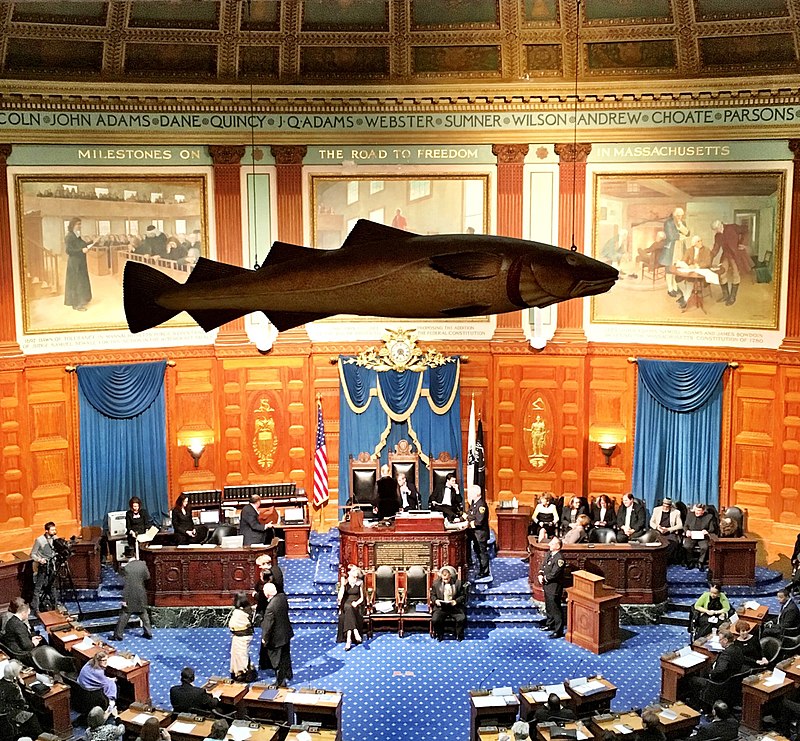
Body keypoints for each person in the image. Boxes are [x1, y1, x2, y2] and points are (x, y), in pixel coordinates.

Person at [684, 631, 743, 708]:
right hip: (731, 681)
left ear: (725, 640)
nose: (719, 641)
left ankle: (697, 703)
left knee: (693, 679)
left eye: (720, 639)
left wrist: (710, 674)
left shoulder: (726, 654)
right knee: (704, 672)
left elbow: (720, 670)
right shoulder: (738, 649)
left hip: (719, 684)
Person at [110, 553, 153, 641]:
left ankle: (118, 635)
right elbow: (147, 577)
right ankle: (148, 633)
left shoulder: (126, 568)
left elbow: (127, 585)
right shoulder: (143, 564)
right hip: (141, 593)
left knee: (125, 615)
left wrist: (124, 599)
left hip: (130, 594)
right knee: (143, 614)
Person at [260, 582, 294, 686]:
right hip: (285, 632)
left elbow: (268, 625)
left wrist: (264, 638)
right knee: (285, 655)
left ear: (267, 594)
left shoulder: (270, 607)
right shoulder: (282, 597)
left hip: (276, 638)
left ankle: (280, 682)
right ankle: (288, 674)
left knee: (276, 660)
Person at [711, 220, 752, 306]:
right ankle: (726, 295)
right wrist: (710, 256)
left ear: (720, 225)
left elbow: (745, 230)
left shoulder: (732, 227)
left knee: (736, 274)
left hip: (736, 255)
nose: (715, 231)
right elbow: (716, 248)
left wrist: (743, 243)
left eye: (716, 229)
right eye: (714, 230)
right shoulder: (717, 236)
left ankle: (732, 297)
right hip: (726, 255)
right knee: (722, 273)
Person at [0, 659, 43, 739]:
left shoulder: (3, 681)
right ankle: (40, 736)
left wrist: (20, 681)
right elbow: (19, 703)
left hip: (7, 710)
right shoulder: (12, 688)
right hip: (10, 713)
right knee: (32, 716)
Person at [64, 217, 94, 311]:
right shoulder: (69, 236)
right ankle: (76, 305)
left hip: (80, 262)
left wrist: (92, 242)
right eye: (78, 224)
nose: (80, 226)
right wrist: (81, 250)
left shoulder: (76, 235)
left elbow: (82, 244)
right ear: (73, 225)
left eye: (80, 224)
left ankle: (82, 300)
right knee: (77, 283)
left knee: (82, 281)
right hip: (74, 263)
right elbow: (68, 250)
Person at [538, 537, 566, 639]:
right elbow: (543, 566)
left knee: (555, 608)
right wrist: (540, 574)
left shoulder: (559, 559)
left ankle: (558, 631)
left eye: (552, 543)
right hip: (547, 585)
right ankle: (550, 624)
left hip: (554, 587)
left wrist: (545, 578)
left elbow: (555, 574)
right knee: (549, 606)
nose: (549, 544)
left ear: (557, 546)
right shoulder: (549, 554)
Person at [675, 235, 713, 310]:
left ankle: (685, 300)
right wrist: (683, 264)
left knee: (690, 280)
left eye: (701, 240)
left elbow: (708, 262)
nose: (701, 242)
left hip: (701, 271)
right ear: (694, 243)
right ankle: (686, 295)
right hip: (691, 270)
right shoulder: (689, 250)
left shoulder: (706, 250)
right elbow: (684, 260)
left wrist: (697, 266)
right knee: (677, 278)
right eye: (698, 241)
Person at [430, 565, 467, 641]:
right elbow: (432, 595)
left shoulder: (458, 583)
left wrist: (456, 601)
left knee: (461, 618)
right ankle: (439, 634)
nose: (445, 580)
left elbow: (463, 596)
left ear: (450, 576)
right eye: (444, 579)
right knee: (435, 619)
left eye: (447, 579)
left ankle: (459, 634)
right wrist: (436, 601)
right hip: (441, 607)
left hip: (454, 607)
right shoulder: (436, 584)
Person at [2, 598, 43, 664]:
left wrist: (31, 638)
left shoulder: (11, 621)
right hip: (21, 655)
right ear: (23, 613)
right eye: (28, 614)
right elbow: (27, 646)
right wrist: (34, 643)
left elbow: (20, 638)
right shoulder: (19, 626)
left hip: (15, 649)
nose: (27, 616)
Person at [227, 592, 256, 682]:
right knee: (237, 655)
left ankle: (243, 674)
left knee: (241, 656)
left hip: (242, 637)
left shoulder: (240, 612)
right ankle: (239, 672)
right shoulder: (246, 610)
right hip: (240, 636)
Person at [660, 206, 690, 298]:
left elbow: (688, 233)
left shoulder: (682, 222)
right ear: (674, 215)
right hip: (671, 249)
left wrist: (681, 228)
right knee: (669, 268)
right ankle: (670, 288)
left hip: (680, 248)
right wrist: (681, 236)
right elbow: (670, 236)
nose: (679, 217)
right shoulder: (668, 223)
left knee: (677, 267)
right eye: (678, 216)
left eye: (681, 216)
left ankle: (675, 287)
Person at [30, 521, 59, 613]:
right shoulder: (39, 540)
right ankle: (36, 608)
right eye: (52, 529)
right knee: (38, 587)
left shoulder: (55, 538)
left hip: (52, 565)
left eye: (55, 529)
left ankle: (55, 606)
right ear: (47, 531)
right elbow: (32, 554)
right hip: (42, 566)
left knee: (52, 586)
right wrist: (40, 560)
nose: (54, 531)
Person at [336, 564, 365, 650]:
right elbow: (340, 597)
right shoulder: (346, 581)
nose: (357, 574)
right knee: (348, 607)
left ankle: (349, 639)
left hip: (355, 604)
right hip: (346, 602)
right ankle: (355, 631)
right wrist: (342, 585)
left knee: (350, 609)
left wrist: (357, 603)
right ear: (350, 573)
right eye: (355, 572)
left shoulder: (360, 582)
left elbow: (362, 597)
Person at [682, 503, 718, 570]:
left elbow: (712, 529)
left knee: (704, 547)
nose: (697, 512)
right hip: (691, 535)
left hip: (702, 536)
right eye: (696, 510)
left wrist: (707, 531)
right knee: (687, 546)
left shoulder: (709, 517)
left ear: (703, 511)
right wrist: (687, 531)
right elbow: (685, 526)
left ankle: (700, 562)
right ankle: (690, 562)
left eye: (699, 511)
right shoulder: (690, 515)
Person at [466, 484, 490, 577]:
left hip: (480, 534)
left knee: (481, 553)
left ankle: (484, 571)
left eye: (471, 493)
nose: (470, 494)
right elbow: (470, 515)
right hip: (474, 534)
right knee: (477, 551)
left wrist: (468, 524)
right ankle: (480, 567)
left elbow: (479, 521)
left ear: (476, 493)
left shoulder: (481, 505)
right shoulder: (474, 503)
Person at [649, 498, 683, 563]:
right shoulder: (656, 510)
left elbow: (680, 525)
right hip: (658, 531)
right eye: (664, 506)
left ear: (670, 506)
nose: (665, 508)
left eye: (667, 507)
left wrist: (668, 529)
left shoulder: (676, 512)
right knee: (656, 543)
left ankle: (664, 560)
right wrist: (657, 527)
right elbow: (651, 522)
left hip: (669, 532)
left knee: (672, 544)